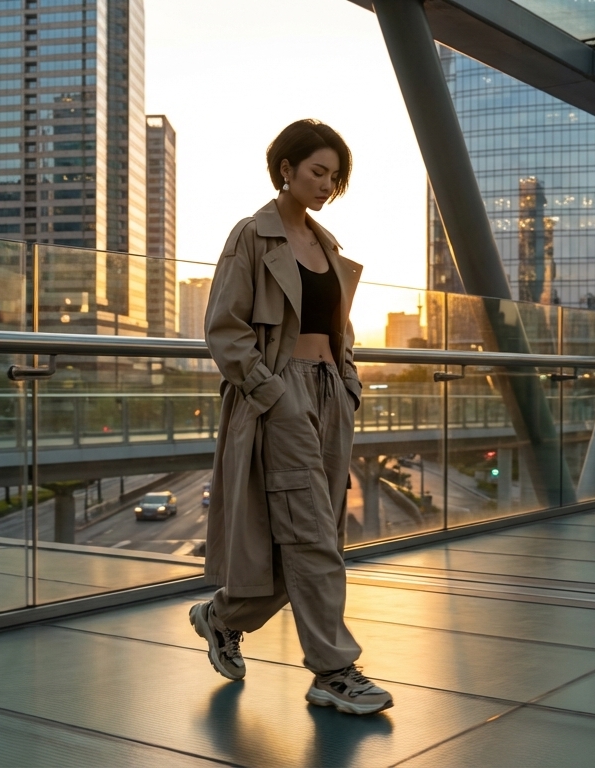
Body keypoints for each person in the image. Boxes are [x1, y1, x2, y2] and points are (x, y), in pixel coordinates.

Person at [189, 119, 393, 716]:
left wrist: (349, 383)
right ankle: (333, 671)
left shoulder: (326, 245)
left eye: (335, 176)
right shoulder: (253, 236)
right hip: (280, 396)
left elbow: (340, 329)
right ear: (286, 168)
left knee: (313, 539)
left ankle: (220, 617)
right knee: (311, 537)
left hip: (330, 394)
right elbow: (225, 331)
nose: (327, 184)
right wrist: (273, 395)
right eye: (317, 172)